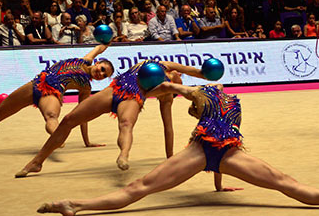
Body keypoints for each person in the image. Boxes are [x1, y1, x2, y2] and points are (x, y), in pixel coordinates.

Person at [36, 81, 319, 216]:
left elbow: (169, 84)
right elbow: (174, 87)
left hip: (211, 151)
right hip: (218, 152)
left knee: (137, 189)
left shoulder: (201, 93)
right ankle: (74, 204)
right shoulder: (230, 98)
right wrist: (219, 182)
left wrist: (156, 82)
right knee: (288, 184)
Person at [15, 61, 207, 176]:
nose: (176, 77)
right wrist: (206, 73)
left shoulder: (165, 93)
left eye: (177, 80)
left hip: (133, 97)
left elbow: (168, 127)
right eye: (177, 77)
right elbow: (197, 72)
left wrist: (169, 158)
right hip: (114, 89)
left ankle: (123, 155)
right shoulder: (163, 65)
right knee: (68, 120)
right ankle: (37, 162)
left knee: (125, 124)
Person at [0, 44, 114, 154]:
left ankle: (57, 137)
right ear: (97, 63)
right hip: (36, 84)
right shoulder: (85, 60)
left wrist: (87, 141)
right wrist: (107, 42)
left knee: (51, 117)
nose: (101, 73)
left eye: (104, 74)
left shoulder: (86, 88)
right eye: (102, 68)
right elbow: (99, 47)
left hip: (52, 92)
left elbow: (82, 116)